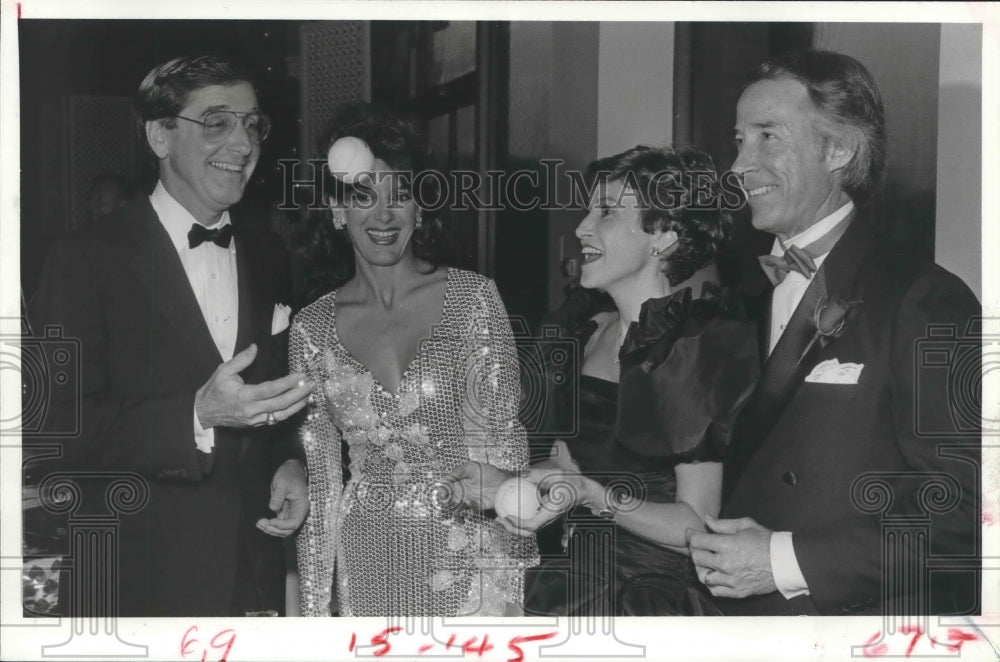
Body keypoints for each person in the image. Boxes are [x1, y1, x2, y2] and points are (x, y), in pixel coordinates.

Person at [689, 50, 981, 616]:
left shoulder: (923, 297)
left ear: (840, 150)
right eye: (739, 140)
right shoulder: (740, 303)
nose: (737, 167)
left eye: (767, 137)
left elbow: (968, 514)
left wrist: (782, 560)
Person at [29, 54, 313, 617]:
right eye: (217, 122)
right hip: (139, 583)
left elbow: (272, 404)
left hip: (251, 579)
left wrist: (289, 462)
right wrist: (196, 416)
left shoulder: (269, 252)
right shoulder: (83, 259)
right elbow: (55, 432)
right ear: (160, 135)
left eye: (253, 123)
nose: (243, 143)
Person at [452, 145, 759, 616]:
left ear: (663, 236)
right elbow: (570, 470)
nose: (581, 227)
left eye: (608, 212)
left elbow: (699, 528)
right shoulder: (587, 331)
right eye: (589, 210)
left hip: (647, 602)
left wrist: (592, 494)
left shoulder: (695, 348)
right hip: (565, 587)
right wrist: (507, 486)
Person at [291, 105, 537, 617]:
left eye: (400, 195)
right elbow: (322, 486)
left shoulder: (473, 299)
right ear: (337, 211)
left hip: (467, 553)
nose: (383, 215)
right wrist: (315, 617)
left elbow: (504, 447)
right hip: (364, 559)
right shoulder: (309, 329)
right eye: (363, 197)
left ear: (420, 209)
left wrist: (506, 590)